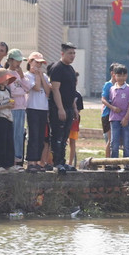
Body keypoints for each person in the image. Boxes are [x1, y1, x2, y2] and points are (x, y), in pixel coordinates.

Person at [48, 42, 78, 172]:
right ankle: (56, 163)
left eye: (73, 53)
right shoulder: (57, 68)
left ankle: (63, 161)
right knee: (58, 136)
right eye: (69, 53)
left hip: (69, 107)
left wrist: (74, 108)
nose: (72, 56)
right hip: (58, 108)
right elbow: (55, 90)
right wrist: (60, 108)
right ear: (62, 54)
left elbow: (72, 91)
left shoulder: (71, 69)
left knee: (65, 137)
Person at [25, 52, 51, 172]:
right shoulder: (27, 76)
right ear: (30, 62)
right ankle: (31, 162)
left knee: (41, 136)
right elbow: (35, 87)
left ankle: (39, 162)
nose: (39, 65)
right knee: (33, 135)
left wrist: (41, 76)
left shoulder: (44, 76)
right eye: (36, 62)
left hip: (43, 108)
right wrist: (37, 76)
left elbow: (47, 90)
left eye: (41, 63)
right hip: (32, 108)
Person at [108, 65, 129, 158]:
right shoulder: (112, 88)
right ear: (114, 76)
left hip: (127, 119)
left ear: (126, 76)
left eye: (123, 75)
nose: (121, 78)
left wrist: (126, 118)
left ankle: (127, 164)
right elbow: (110, 102)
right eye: (119, 75)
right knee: (114, 143)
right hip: (114, 118)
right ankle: (114, 163)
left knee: (127, 143)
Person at [100, 64, 119, 158]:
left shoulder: (119, 86)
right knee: (110, 139)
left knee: (114, 140)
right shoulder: (108, 85)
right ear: (112, 73)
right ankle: (107, 161)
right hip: (108, 114)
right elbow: (103, 99)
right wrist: (112, 107)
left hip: (116, 115)